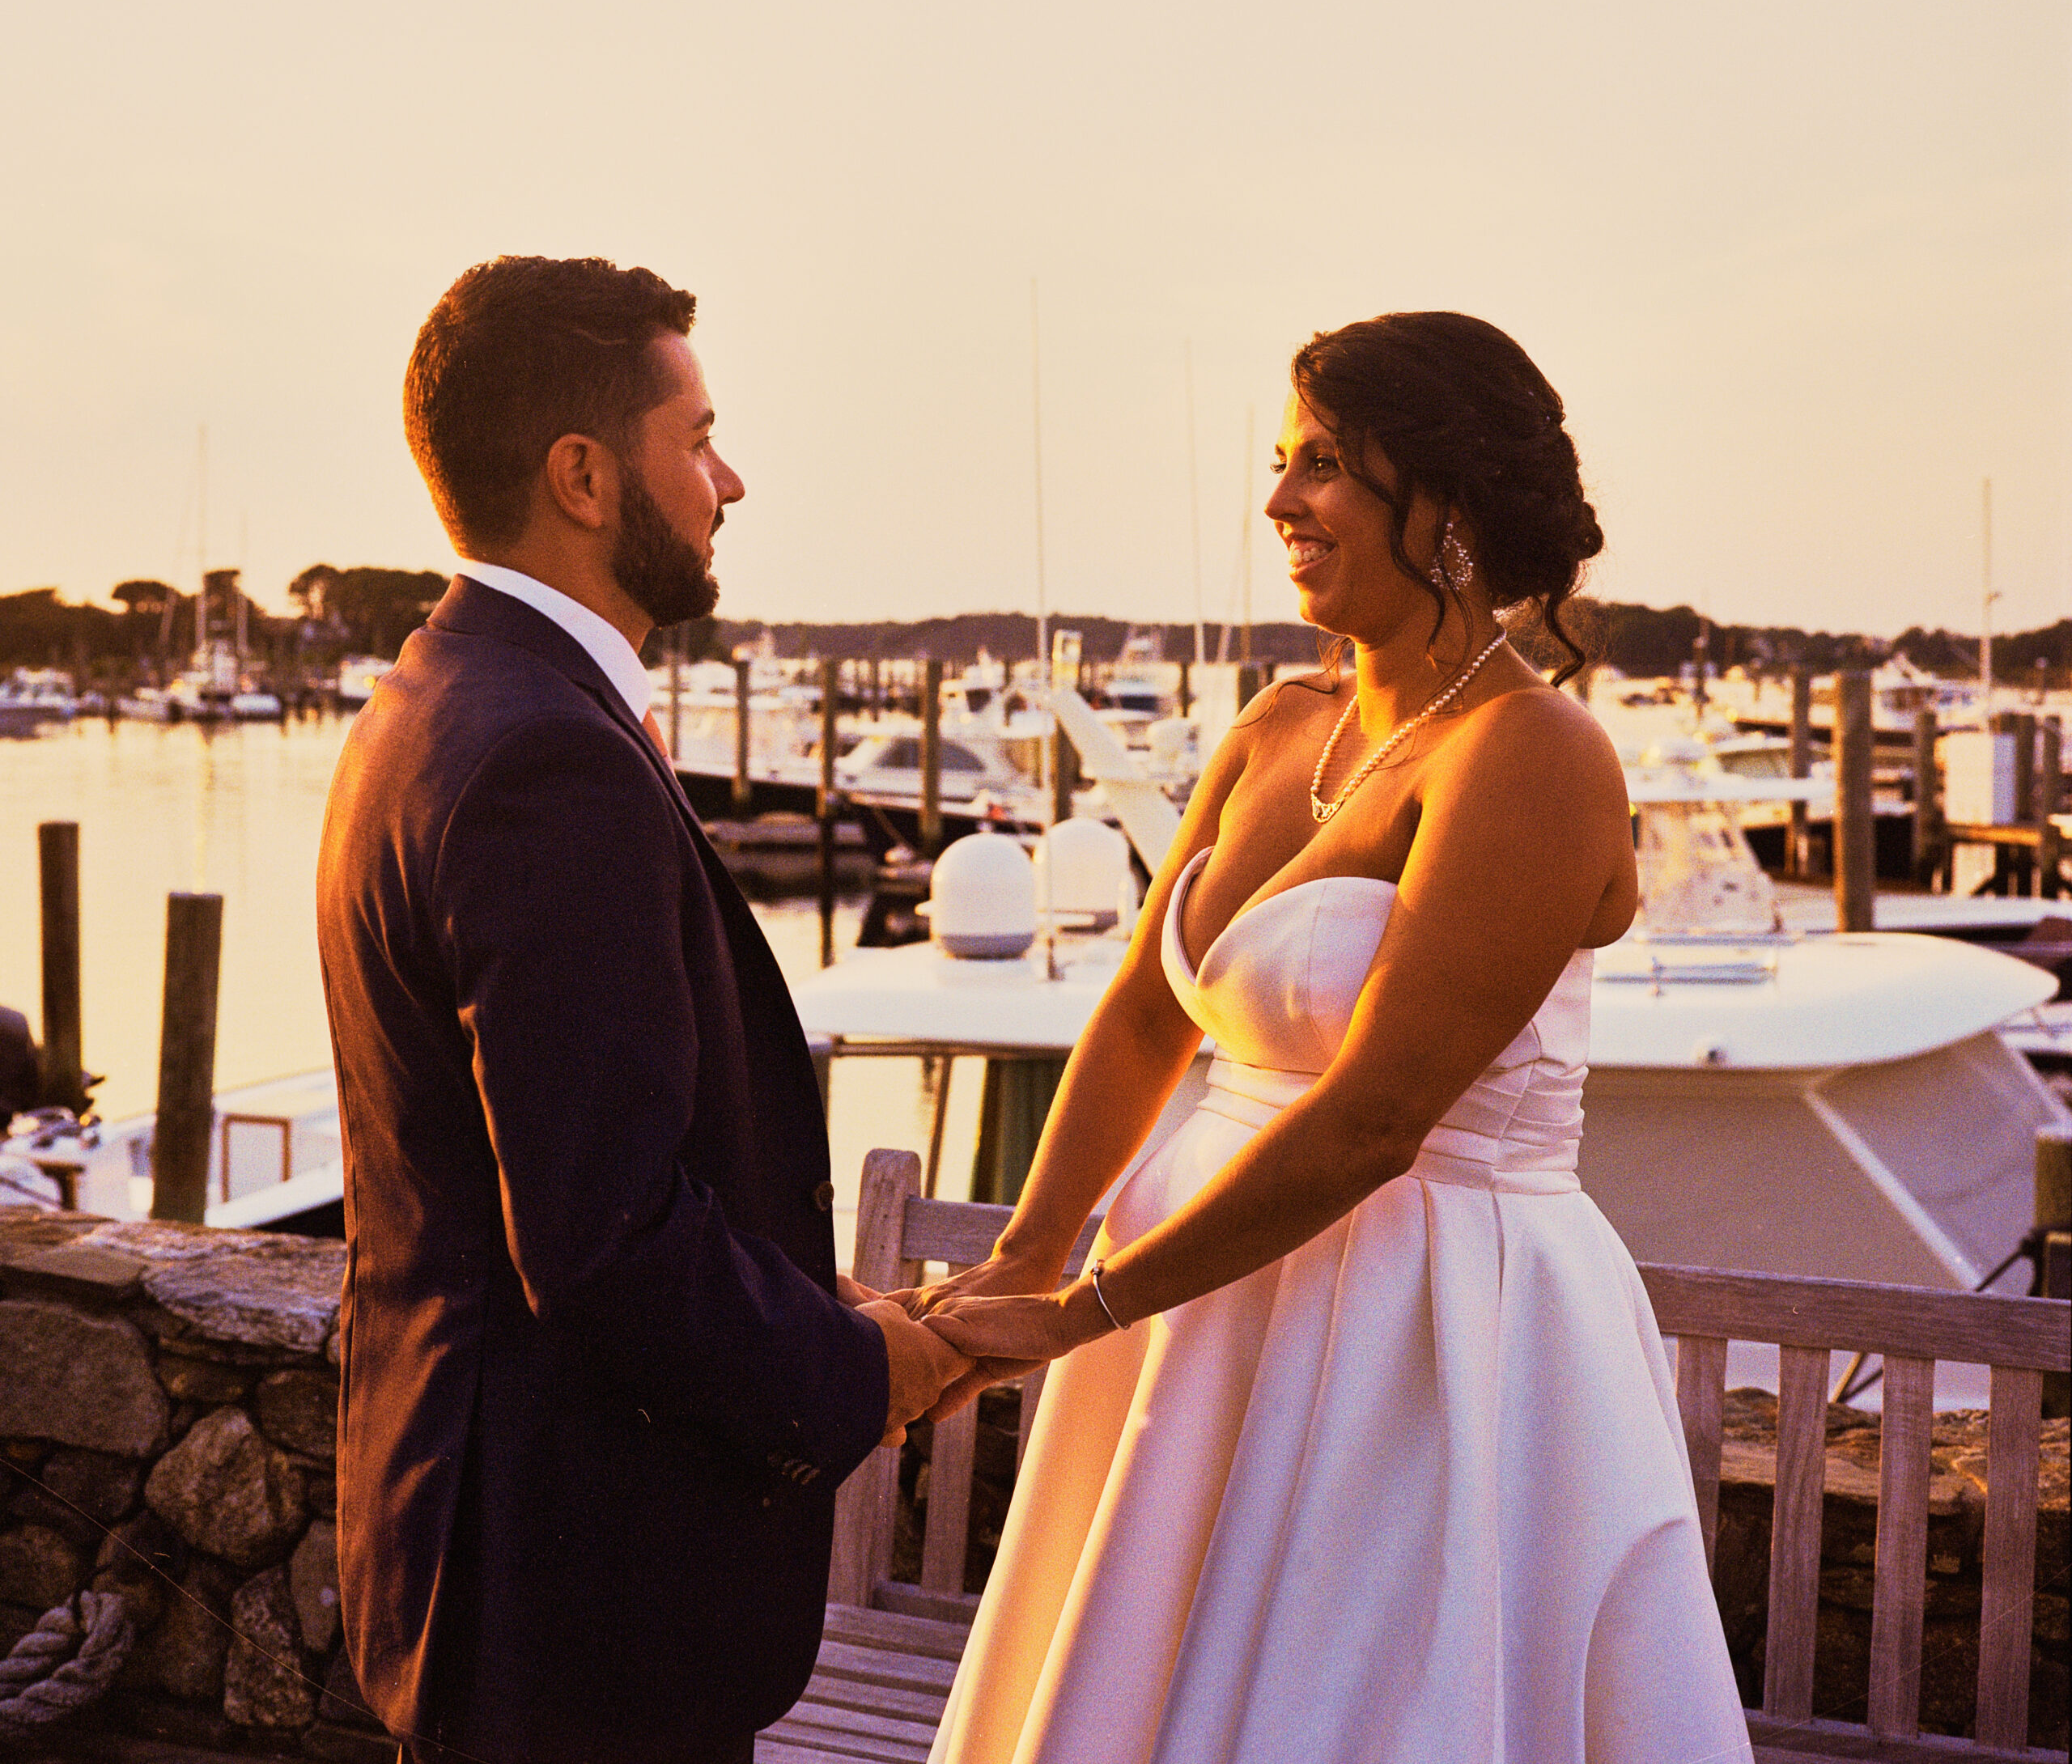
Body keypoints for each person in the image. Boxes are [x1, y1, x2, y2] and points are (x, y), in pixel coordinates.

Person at [909, 313, 1754, 1763]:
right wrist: (1028, 1254)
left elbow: (1375, 1122)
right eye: (1281, 459)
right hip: (1197, 1315)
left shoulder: (1532, 754)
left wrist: (1089, 1309)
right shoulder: (1275, 724)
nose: (1279, 501)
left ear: (1454, 512)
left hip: (1423, 1333)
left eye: (1326, 467)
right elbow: (1137, 1016)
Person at [316, 255, 962, 1764]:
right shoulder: (551, 758)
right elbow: (605, 1242)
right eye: (700, 436)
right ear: (587, 477)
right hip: (575, 1598)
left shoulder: (433, 696)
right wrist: (867, 1373)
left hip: (487, 1549)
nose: (730, 480)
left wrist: (822, 1303)